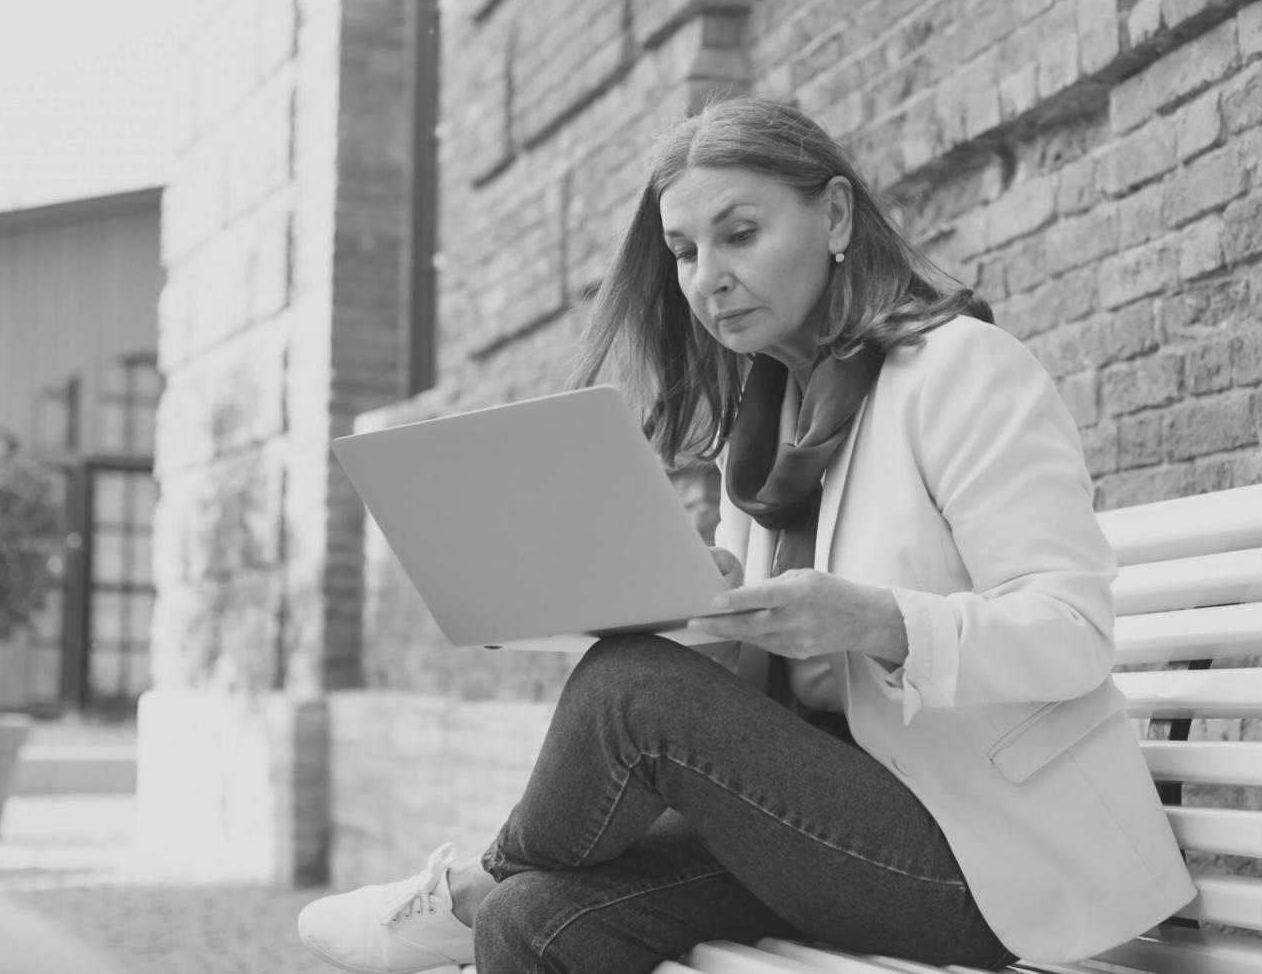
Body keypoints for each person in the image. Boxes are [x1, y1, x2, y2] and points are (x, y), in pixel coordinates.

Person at [297, 96, 1196, 974]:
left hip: (987, 854)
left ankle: (460, 891)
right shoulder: (760, 427)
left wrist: (874, 620)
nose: (705, 278)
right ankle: (486, 904)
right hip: (825, 829)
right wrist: (697, 608)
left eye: (739, 234)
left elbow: (1073, 632)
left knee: (626, 689)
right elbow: (772, 700)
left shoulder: (962, 370)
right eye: (684, 251)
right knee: (537, 922)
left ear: (834, 214)